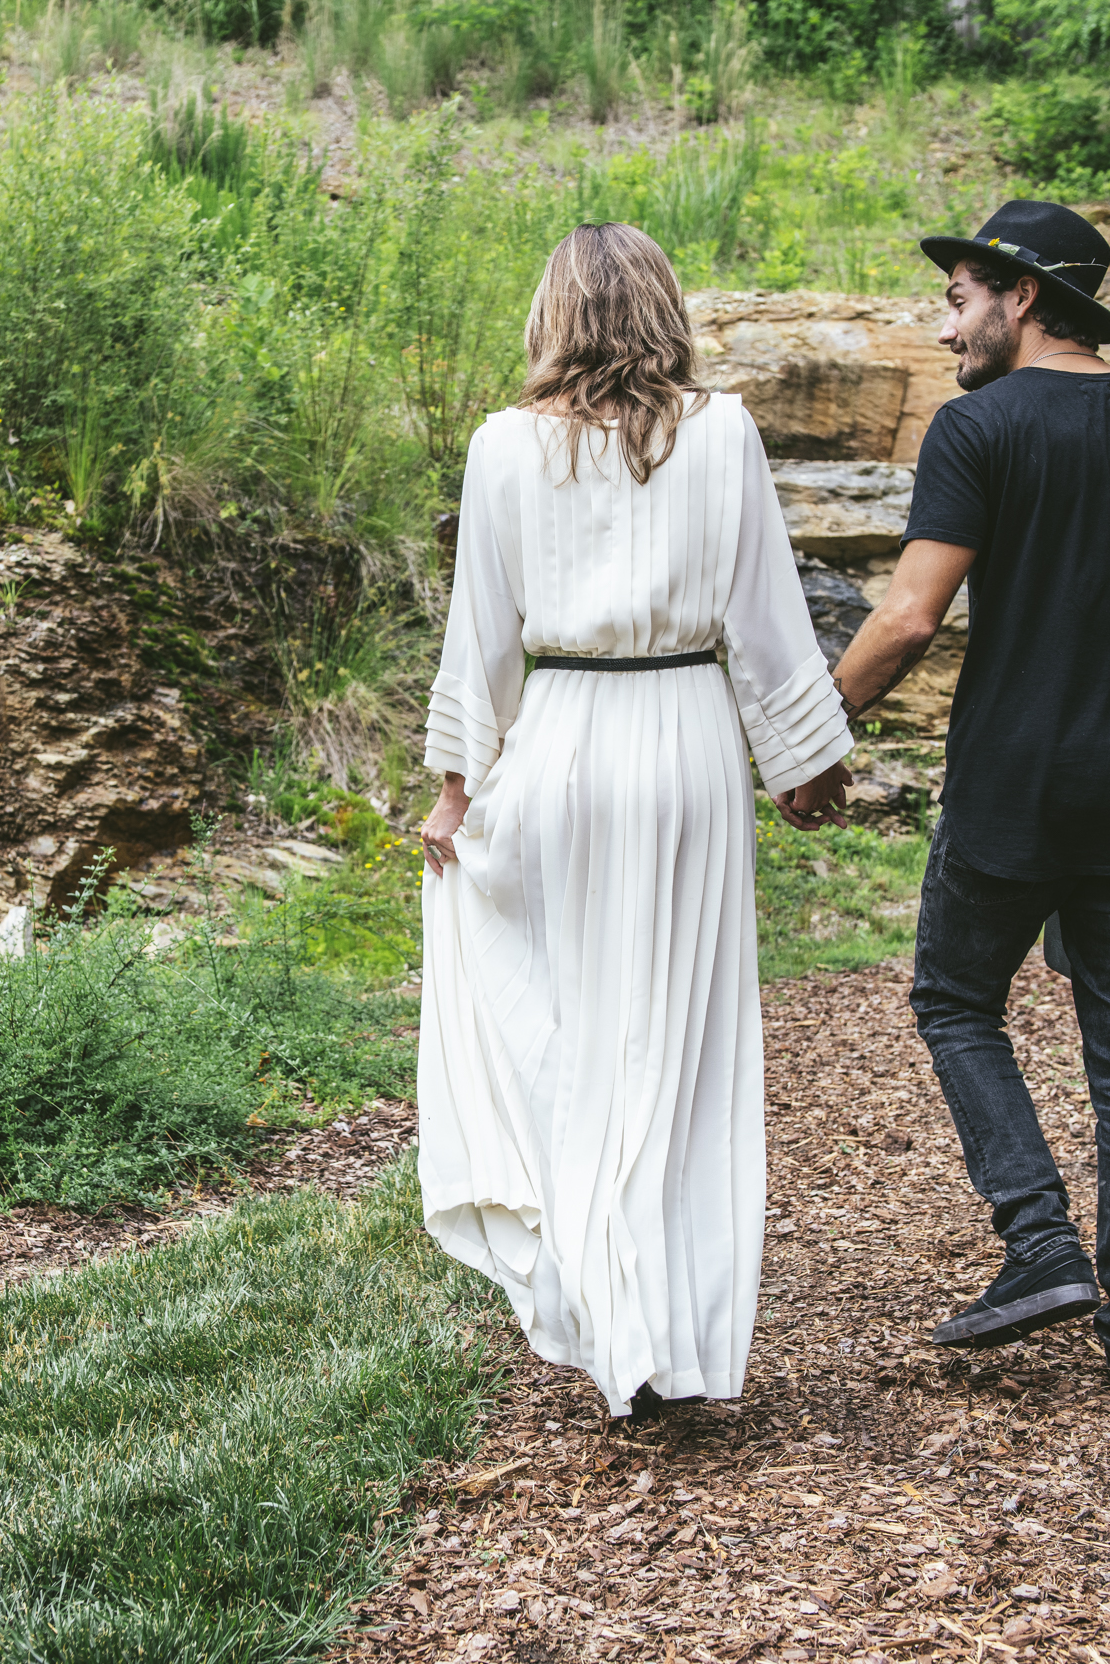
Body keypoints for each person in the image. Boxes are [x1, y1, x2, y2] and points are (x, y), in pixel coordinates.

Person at [817, 199, 1110, 1409]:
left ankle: (1038, 1240)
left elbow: (908, 615)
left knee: (956, 999)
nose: (946, 319)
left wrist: (809, 733)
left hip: (1015, 788)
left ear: (1020, 295)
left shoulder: (979, 428)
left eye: (959, 296)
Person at [416, 222, 855, 1420]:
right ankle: (665, 1326)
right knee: (683, 1041)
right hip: (687, 747)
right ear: (662, 307)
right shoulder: (724, 433)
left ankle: (598, 1300)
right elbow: (768, 623)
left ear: (553, 313)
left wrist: (458, 787)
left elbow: (483, 635)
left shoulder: (503, 446)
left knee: (564, 1024)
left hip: (557, 737)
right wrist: (804, 767)